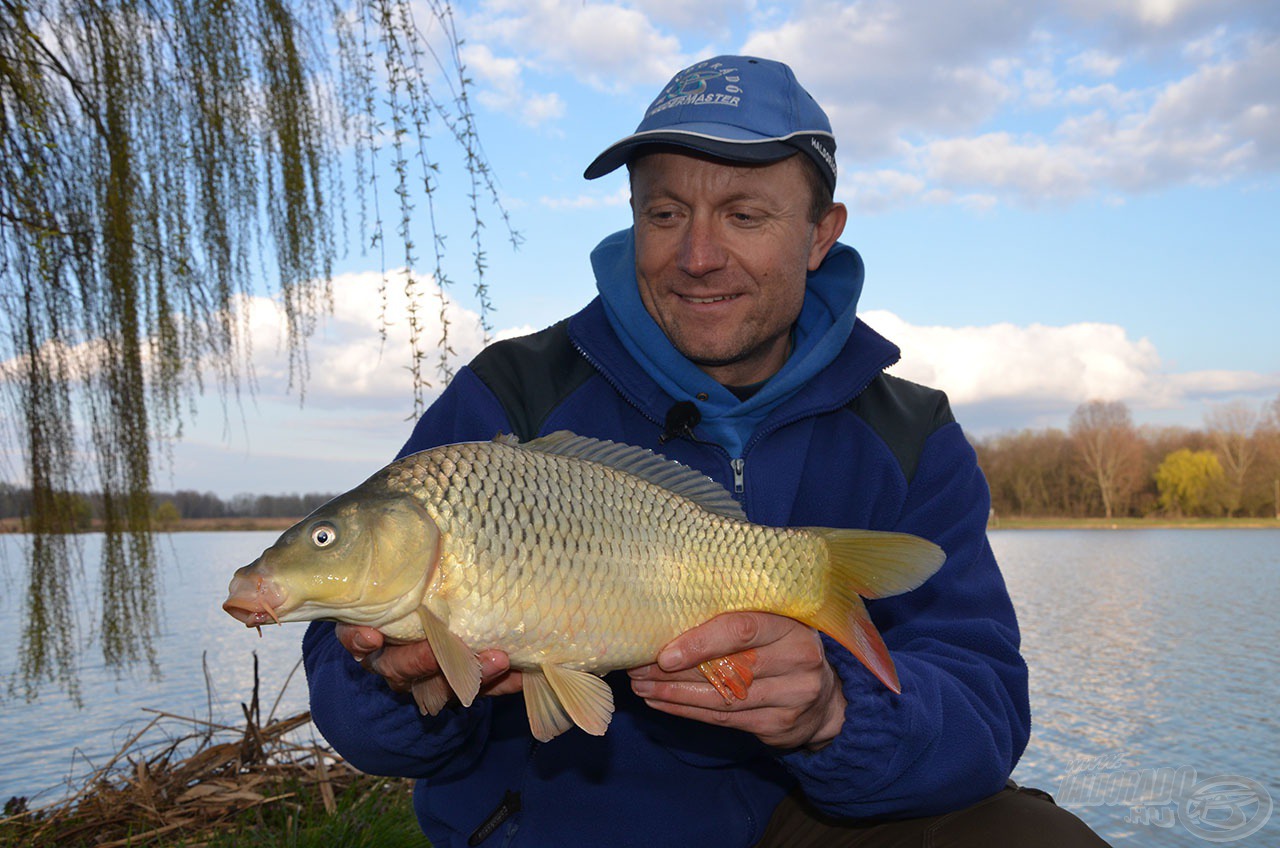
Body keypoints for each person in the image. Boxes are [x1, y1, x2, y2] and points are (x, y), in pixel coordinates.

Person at [302, 55, 1109, 847]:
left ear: (820, 235)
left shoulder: (909, 435)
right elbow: (360, 719)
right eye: (664, 214)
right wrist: (393, 683)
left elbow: (984, 708)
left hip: (813, 823)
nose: (697, 255)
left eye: (745, 215)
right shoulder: (507, 395)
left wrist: (832, 716)